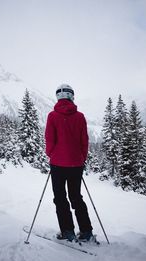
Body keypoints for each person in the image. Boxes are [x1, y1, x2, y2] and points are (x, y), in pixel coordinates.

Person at [45, 83, 93, 242]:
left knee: (60, 197)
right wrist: (81, 158)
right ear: (72, 96)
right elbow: (84, 141)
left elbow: (49, 140)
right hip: (76, 165)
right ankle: (86, 231)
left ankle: (67, 231)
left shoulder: (52, 116)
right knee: (76, 197)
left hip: (58, 164)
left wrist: (52, 154)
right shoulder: (80, 116)